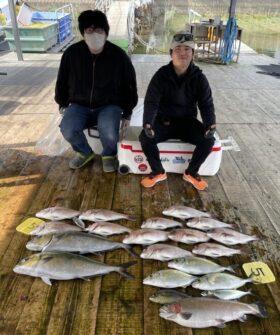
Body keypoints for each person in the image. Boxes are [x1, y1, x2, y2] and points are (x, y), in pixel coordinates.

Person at [55, 10, 138, 172]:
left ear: (106, 33)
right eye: (89, 30)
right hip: (79, 104)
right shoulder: (71, 54)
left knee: (109, 132)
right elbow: (62, 81)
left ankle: (109, 154)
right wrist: (62, 104)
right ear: (83, 33)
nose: (95, 35)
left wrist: (127, 112)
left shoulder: (119, 56)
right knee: (68, 128)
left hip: (109, 105)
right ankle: (84, 152)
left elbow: (130, 85)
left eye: (99, 30)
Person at [139, 32, 216, 190]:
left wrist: (210, 124)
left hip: (187, 122)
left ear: (193, 53)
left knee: (209, 140)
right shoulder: (161, 75)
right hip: (164, 121)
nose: (182, 53)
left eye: (187, 49)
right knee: (145, 137)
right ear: (171, 53)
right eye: (178, 49)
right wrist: (148, 123)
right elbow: (151, 102)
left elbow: (206, 104)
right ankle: (158, 171)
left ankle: (192, 172)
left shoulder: (200, 78)